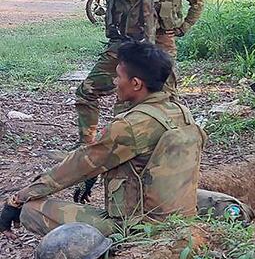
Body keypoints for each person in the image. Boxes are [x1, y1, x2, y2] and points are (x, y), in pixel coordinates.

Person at [1, 42, 205, 237]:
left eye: (118, 76)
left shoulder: (130, 126)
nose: (115, 82)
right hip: (177, 217)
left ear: (135, 83)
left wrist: (18, 199)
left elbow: (79, 165)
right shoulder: (180, 111)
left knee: (31, 209)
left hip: (137, 228)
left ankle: (110, 248)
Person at [75, 0, 156, 145]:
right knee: (127, 103)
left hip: (127, 48)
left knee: (87, 92)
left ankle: (87, 150)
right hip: (127, 47)